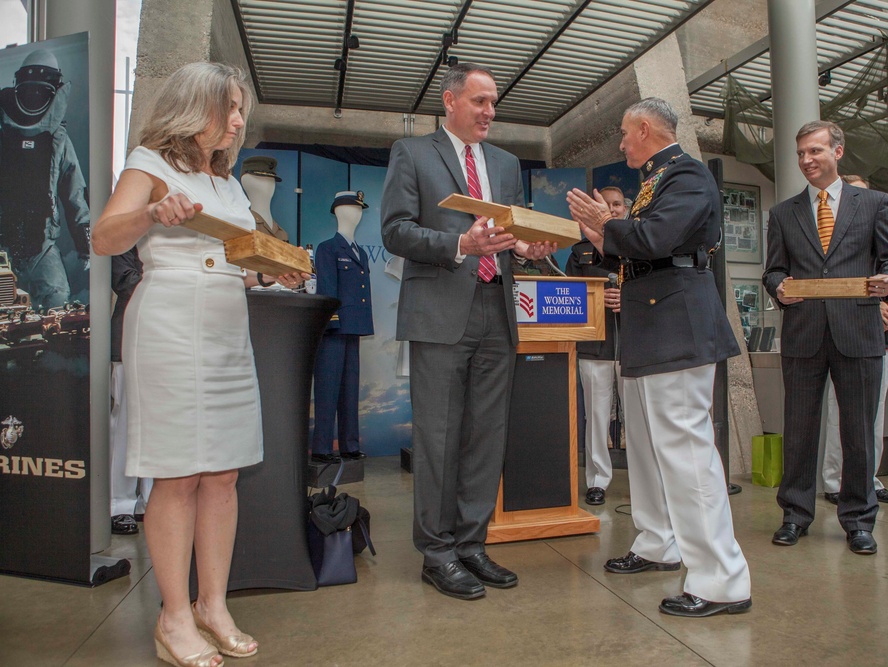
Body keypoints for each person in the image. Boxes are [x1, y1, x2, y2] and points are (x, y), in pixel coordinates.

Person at [93, 62, 306, 667]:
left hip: (224, 323)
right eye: (231, 108)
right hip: (168, 321)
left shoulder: (228, 183)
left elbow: (237, 258)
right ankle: (174, 616)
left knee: (223, 474)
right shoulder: (149, 163)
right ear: (196, 107)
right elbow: (105, 236)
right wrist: (151, 214)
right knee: (178, 473)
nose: (239, 122)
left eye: (241, 110)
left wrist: (272, 270)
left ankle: (213, 604)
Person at [567, 97, 751, 618]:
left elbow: (658, 237)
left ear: (645, 129)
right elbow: (645, 246)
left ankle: (721, 579)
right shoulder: (656, 179)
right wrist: (604, 237)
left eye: (625, 134)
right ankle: (657, 542)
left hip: (676, 325)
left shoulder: (686, 174)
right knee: (648, 447)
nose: (622, 144)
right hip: (652, 326)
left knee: (687, 452)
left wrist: (608, 225)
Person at [381, 63, 554, 601]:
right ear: (450, 100)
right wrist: (460, 246)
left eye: (493, 103)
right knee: (438, 438)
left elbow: (511, 232)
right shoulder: (412, 154)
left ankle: (472, 544)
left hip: (497, 312)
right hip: (439, 313)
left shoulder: (504, 163)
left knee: (486, 435)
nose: (489, 112)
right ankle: (437, 553)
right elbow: (395, 230)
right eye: (479, 101)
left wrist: (527, 247)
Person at [763, 120, 888, 557]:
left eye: (815, 151)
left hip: (858, 332)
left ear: (838, 152)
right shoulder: (784, 213)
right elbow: (772, 270)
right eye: (801, 153)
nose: (807, 160)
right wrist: (778, 288)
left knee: (859, 432)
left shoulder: (875, 203)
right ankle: (794, 515)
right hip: (804, 333)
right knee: (800, 430)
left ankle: (859, 520)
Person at [818, 175, 888, 507]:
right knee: (840, 412)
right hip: (842, 333)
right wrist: (874, 307)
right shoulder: (829, 236)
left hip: (879, 340)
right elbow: (831, 282)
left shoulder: (882, 232)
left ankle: (868, 479)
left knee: (875, 413)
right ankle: (835, 480)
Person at [0, 48, 90, 312]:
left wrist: (86, 245)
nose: (34, 97)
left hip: (41, 245)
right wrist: (85, 247)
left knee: (58, 303)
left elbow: (75, 194)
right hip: (11, 243)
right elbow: (76, 196)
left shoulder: (58, 140)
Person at [564, 186, 626, 506]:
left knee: (641, 418)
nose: (612, 209)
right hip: (595, 346)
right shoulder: (580, 251)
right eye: (606, 203)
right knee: (596, 417)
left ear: (626, 209)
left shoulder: (639, 246)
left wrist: (627, 300)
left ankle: (648, 482)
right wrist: (600, 299)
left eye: (617, 204)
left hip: (634, 346)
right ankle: (598, 480)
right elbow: (569, 298)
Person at [312, 191, 374, 464]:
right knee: (327, 388)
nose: (357, 214)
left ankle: (349, 444)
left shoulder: (359, 252)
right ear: (339, 211)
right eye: (353, 208)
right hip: (334, 330)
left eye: (360, 210)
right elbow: (327, 290)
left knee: (350, 389)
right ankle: (322, 448)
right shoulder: (327, 248)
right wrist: (332, 320)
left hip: (354, 327)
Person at [109, 246, 153, 535]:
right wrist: (168, 282)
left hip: (162, 342)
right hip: (127, 339)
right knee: (124, 426)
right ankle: (119, 504)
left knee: (155, 427)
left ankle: (149, 501)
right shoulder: (126, 238)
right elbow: (123, 280)